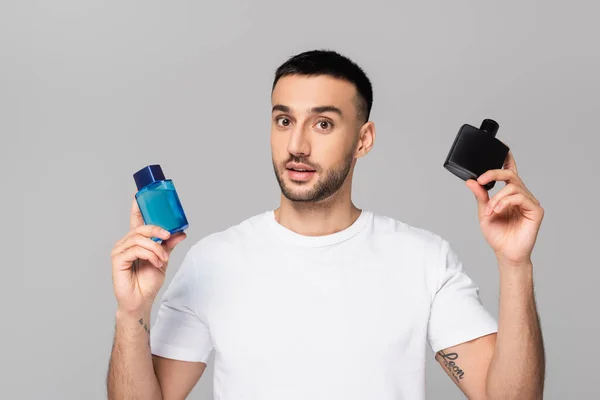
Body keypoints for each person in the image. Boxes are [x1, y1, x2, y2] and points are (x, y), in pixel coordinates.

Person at [107, 49, 545, 400]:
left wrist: (515, 265)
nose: (297, 145)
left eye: (323, 123)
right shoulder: (213, 262)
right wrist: (132, 313)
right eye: (284, 121)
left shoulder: (424, 260)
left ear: (363, 139)